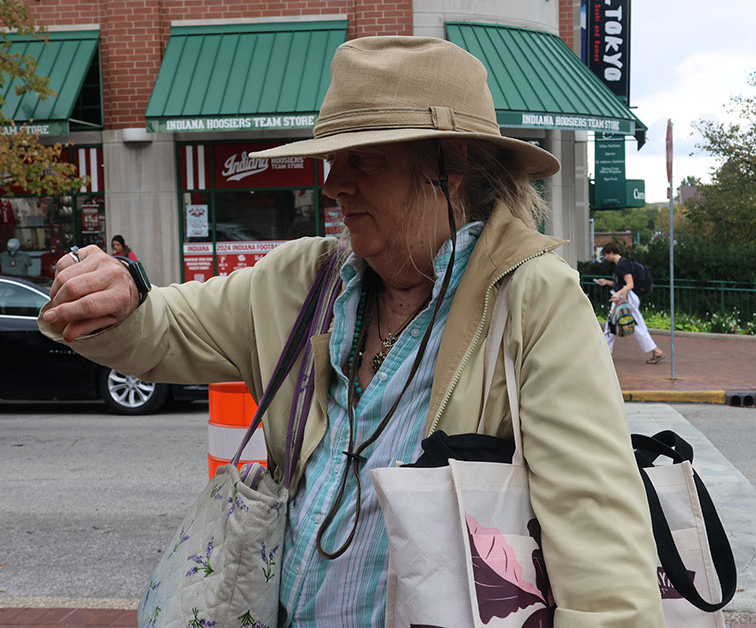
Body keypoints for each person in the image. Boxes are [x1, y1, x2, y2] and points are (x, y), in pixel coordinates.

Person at [39, 37, 663, 627]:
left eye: (365, 159)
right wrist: (117, 299)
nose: (335, 183)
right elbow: (160, 329)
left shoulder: (533, 299)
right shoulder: (300, 282)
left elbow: (599, 545)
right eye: (331, 160)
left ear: (452, 163)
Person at [595, 242, 664, 364]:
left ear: (611, 253)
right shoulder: (622, 264)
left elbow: (629, 285)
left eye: (605, 255)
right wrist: (606, 282)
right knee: (634, 326)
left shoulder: (622, 265)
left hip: (623, 298)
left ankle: (606, 354)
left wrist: (618, 295)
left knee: (613, 325)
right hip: (626, 298)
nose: (605, 258)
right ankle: (655, 351)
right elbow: (624, 284)